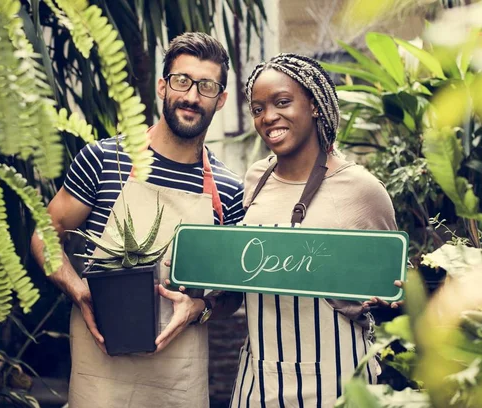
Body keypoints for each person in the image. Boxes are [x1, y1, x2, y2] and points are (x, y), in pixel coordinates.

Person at [31, 32, 244, 408]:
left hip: (178, 380)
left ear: (221, 99)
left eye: (206, 86)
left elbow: (231, 294)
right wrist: (78, 290)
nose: (192, 96)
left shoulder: (227, 190)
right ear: (163, 86)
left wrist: (200, 308)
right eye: (182, 81)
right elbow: (45, 232)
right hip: (101, 373)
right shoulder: (105, 159)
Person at [229, 53, 398, 407]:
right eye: (258, 109)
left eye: (282, 102)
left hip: (340, 379)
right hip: (258, 379)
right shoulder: (254, 179)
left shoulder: (362, 188)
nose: (268, 117)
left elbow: (394, 288)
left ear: (315, 105)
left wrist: (382, 300)